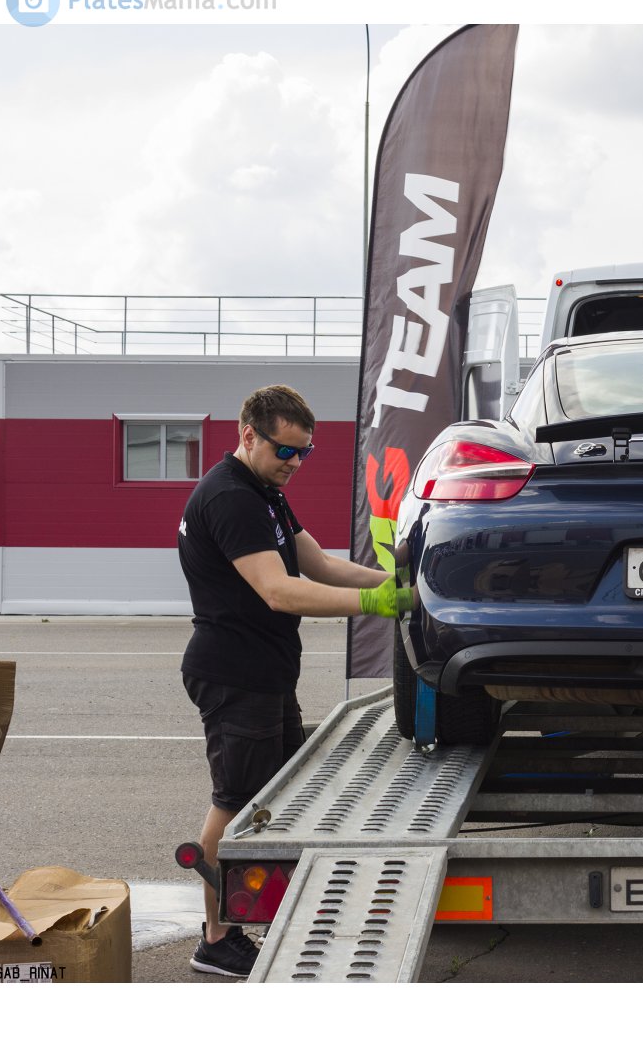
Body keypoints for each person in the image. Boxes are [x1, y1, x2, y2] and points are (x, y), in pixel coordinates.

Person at [177, 384, 407, 978]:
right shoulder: (230, 498)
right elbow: (279, 591)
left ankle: (254, 912)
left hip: (266, 672)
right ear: (248, 435)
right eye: (285, 450)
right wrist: (373, 605)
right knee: (235, 802)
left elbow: (320, 564)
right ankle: (216, 939)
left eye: (305, 452)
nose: (295, 463)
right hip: (234, 674)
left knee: (272, 797)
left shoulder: (266, 492)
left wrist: (394, 585)